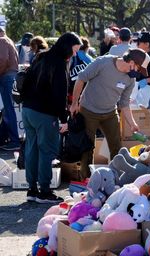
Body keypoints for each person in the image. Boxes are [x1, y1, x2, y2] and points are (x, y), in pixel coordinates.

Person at [70, 48, 150, 178]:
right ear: (131, 61)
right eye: (138, 68)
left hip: (110, 113)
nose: (138, 73)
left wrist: (132, 124)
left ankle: (116, 177)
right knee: (87, 147)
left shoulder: (130, 80)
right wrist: (75, 103)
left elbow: (124, 103)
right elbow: (81, 78)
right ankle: (87, 179)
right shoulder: (103, 62)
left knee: (117, 147)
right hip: (88, 110)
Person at [22, 32, 82, 203]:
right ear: (67, 47)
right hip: (44, 113)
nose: (75, 54)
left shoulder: (41, 57)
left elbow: (26, 82)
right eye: (75, 50)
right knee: (46, 151)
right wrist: (64, 120)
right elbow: (59, 95)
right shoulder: (60, 64)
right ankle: (45, 191)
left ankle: (32, 189)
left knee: (31, 149)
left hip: (28, 110)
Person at [0, 25, 20, 151]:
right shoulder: (8, 40)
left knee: (8, 110)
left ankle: (14, 140)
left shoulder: (1, 40)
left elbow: (2, 59)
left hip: (5, 76)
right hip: (10, 76)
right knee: (8, 110)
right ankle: (8, 138)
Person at [67, 36, 93, 106]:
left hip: (71, 91)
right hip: (86, 93)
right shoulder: (89, 59)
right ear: (87, 48)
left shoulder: (71, 56)